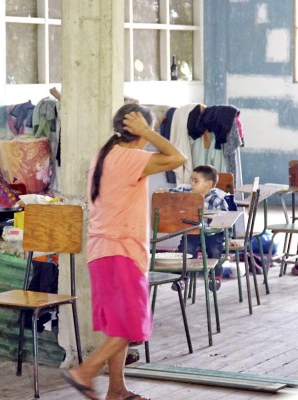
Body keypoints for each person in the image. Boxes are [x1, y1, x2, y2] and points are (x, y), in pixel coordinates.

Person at [62, 104, 186, 400]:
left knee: (119, 323)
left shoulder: (104, 155)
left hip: (103, 252)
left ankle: (116, 390)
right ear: (136, 131)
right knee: (130, 323)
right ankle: (85, 372)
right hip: (121, 252)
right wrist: (148, 131)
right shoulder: (130, 158)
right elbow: (177, 158)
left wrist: (143, 131)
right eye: (143, 131)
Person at [171, 164, 229, 291]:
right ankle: (182, 278)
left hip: (212, 233)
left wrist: (227, 235)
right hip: (192, 231)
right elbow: (170, 194)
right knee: (185, 251)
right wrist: (164, 194)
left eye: (195, 181)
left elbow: (225, 219)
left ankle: (215, 276)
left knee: (214, 251)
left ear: (208, 184)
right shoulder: (186, 191)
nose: (191, 183)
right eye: (191, 179)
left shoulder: (217, 198)